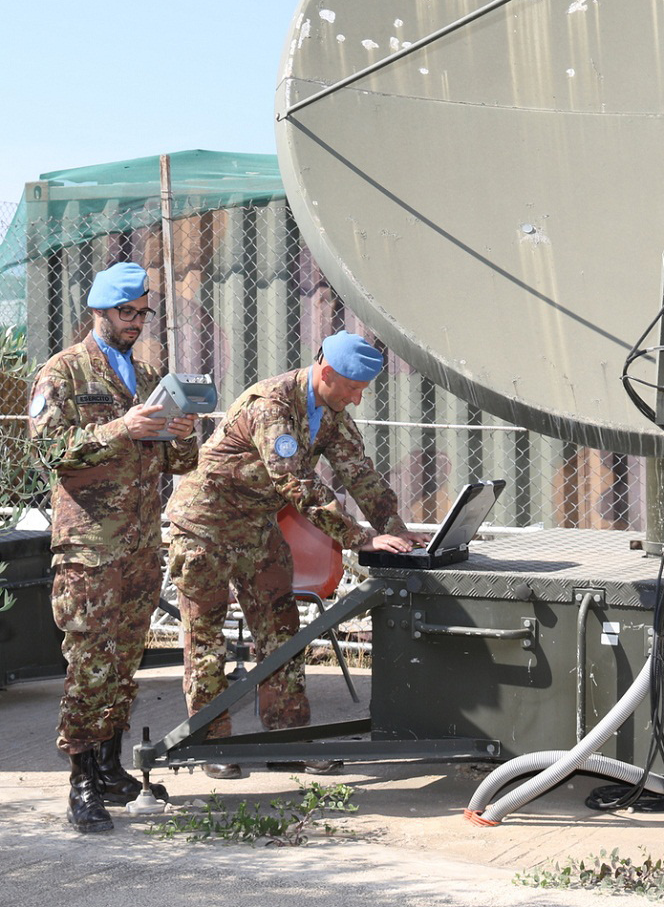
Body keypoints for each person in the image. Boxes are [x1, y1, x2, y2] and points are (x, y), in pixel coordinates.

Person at [166, 331, 424, 779]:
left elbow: (359, 473)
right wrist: (358, 538)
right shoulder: (272, 405)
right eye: (353, 389)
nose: (359, 400)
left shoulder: (331, 410)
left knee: (281, 629)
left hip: (256, 526)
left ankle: (286, 737)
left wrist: (395, 533)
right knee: (206, 636)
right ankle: (210, 744)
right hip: (203, 527)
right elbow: (297, 484)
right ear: (326, 373)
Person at [28, 262, 199, 833]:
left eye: (143, 314)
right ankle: (80, 781)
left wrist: (179, 435)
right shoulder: (64, 373)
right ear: (98, 311)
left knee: (126, 660)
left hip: (140, 544)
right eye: (127, 313)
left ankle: (107, 765)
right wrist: (121, 427)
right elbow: (50, 452)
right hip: (90, 549)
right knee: (89, 663)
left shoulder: (149, 372)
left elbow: (179, 463)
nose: (136, 323)